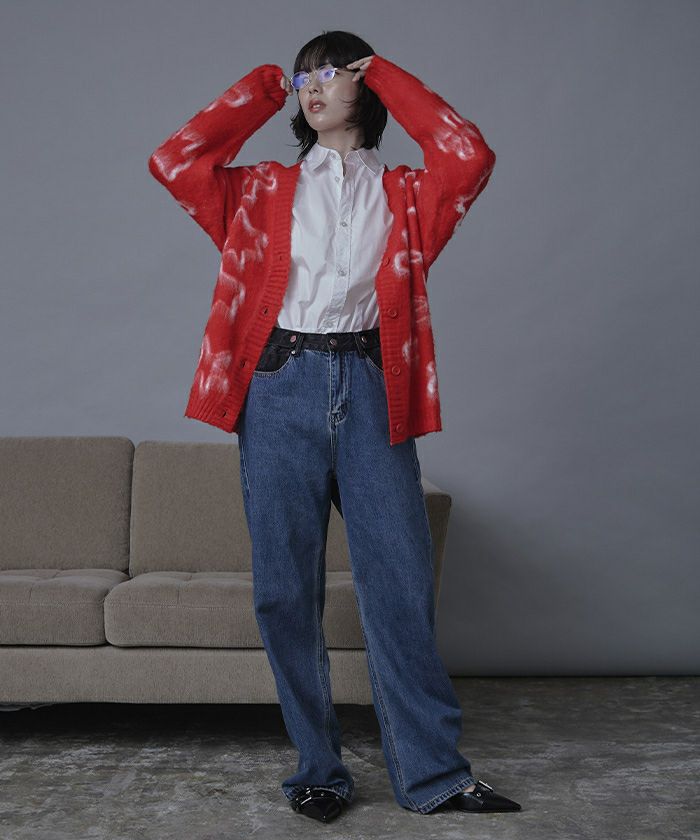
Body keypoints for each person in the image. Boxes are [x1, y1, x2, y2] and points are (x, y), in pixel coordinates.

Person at [150, 27, 519, 825]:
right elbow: (175, 161)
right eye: (302, 78)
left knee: (400, 583)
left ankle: (434, 775)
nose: (311, 87)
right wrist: (263, 86)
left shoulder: (411, 196)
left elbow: (469, 155)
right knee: (285, 590)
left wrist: (387, 73)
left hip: (373, 385)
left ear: (365, 85)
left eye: (330, 73)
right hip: (278, 387)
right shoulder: (259, 189)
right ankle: (318, 770)